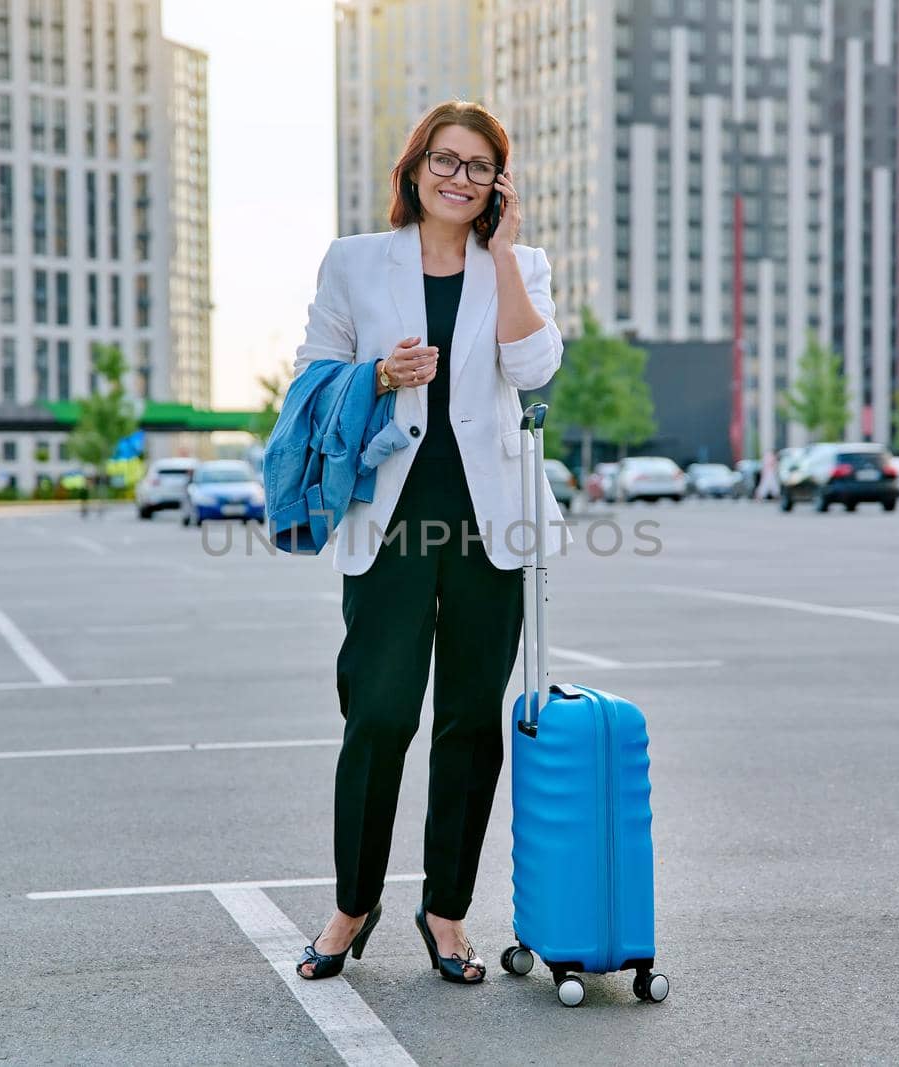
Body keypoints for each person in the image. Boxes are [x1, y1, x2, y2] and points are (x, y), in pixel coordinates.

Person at [289, 100, 569, 985]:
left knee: (467, 724)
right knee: (377, 716)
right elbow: (308, 376)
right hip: (392, 521)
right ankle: (351, 905)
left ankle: (446, 913)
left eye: (479, 166)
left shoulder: (520, 265)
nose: (459, 177)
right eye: (445, 161)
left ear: (498, 182)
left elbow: (534, 371)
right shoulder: (355, 262)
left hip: (492, 527)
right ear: (414, 170)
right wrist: (377, 373)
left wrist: (505, 253)